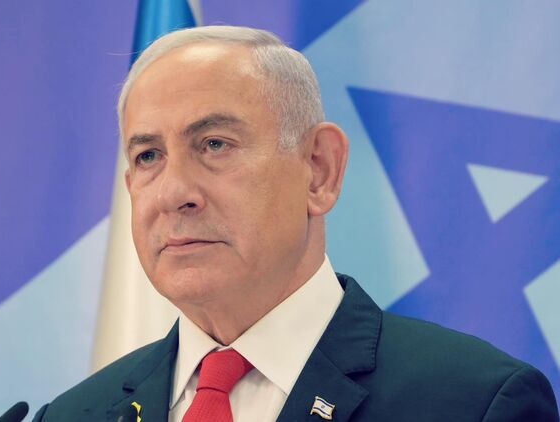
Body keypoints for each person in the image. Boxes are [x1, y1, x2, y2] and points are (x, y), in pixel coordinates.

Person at [32, 26, 558, 421]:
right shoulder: (74, 414)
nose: (173, 194)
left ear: (318, 169)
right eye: (148, 156)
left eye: (214, 144)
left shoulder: (473, 402)